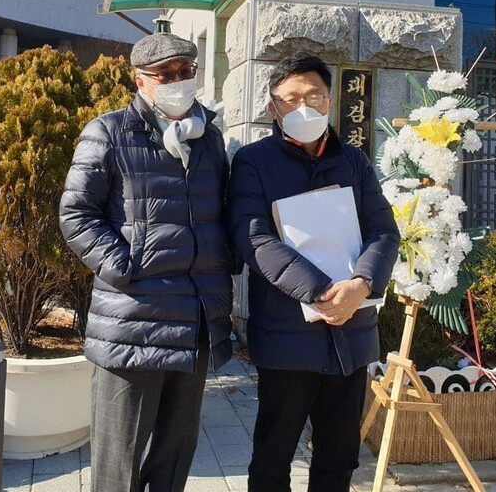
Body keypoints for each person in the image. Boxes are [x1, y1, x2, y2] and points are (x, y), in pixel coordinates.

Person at [59, 32, 235, 492]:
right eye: (165, 75)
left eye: (185, 72)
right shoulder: (109, 131)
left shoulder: (210, 139)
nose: (177, 81)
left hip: (195, 318)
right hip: (133, 318)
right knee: (119, 462)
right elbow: (76, 213)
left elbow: (221, 212)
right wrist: (126, 268)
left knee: (175, 454)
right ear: (140, 81)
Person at [226, 52, 400, 492]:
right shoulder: (253, 161)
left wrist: (361, 285)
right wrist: (321, 292)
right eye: (291, 98)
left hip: (352, 331)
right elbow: (254, 239)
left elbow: (382, 230)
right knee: (273, 457)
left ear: (330, 101)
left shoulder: (354, 161)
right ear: (273, 108)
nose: (304, 106)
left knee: (339, 459)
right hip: (288, 334)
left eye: (314, 95)